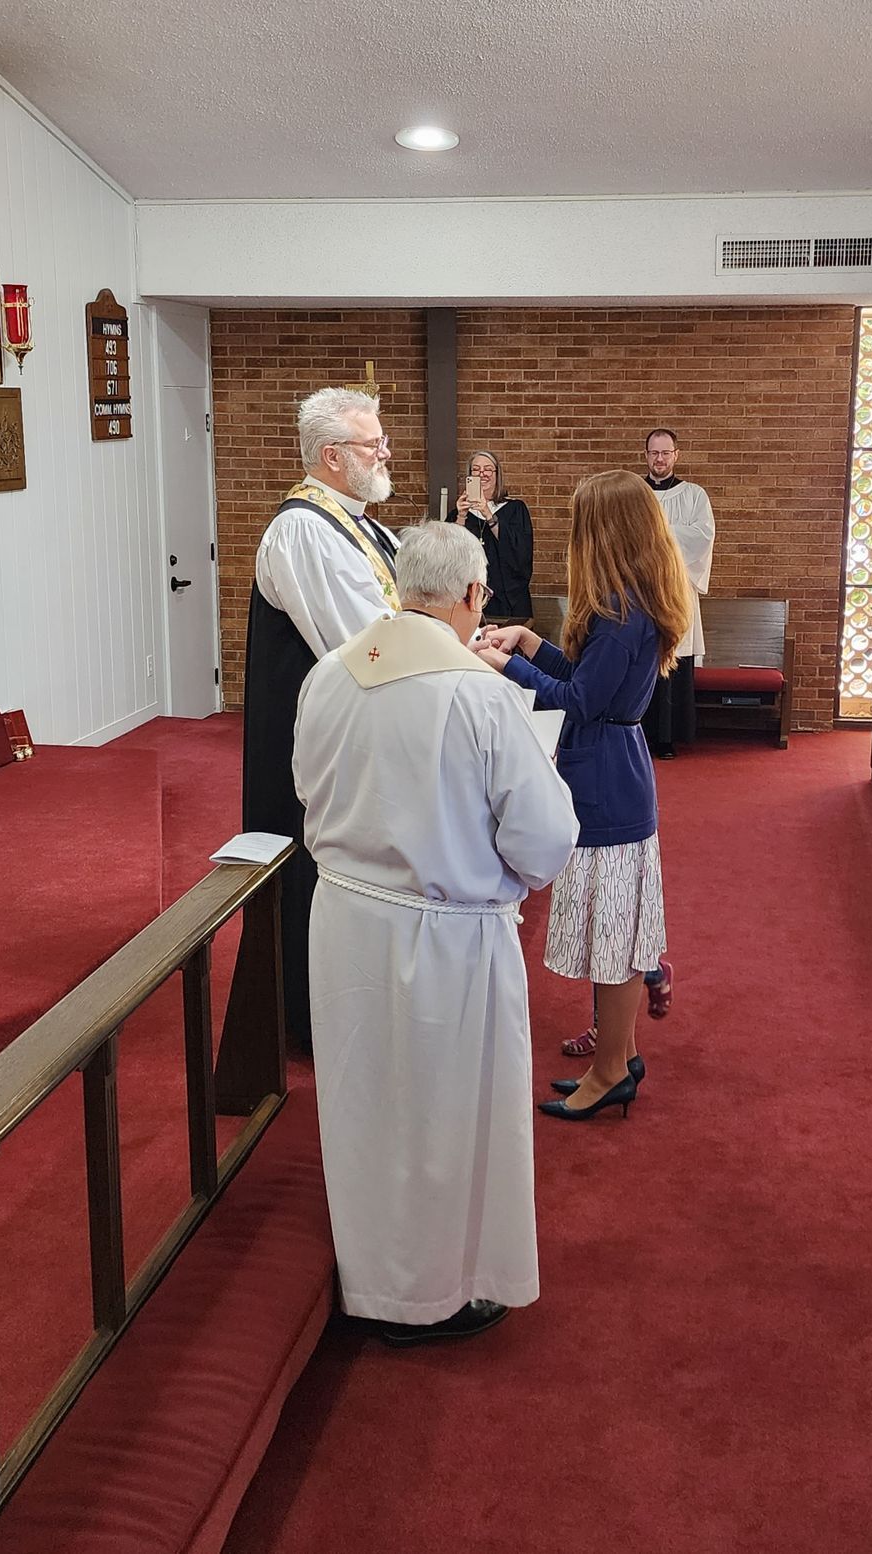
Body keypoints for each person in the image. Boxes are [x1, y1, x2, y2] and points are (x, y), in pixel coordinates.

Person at [293, 523, 578, 1344]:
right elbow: (545, 840)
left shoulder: (330, 674)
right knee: (446, 1116)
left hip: (344, 922)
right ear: (473, 596)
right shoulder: (479, 693)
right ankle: (431, 1295)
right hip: (445, 939)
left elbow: (307, 789)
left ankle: (372, 1271)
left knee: (365, 1102)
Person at [476, 470, 692, 1120]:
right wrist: (529, 641)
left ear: (604, 532)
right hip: (610, 767)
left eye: (581, 524)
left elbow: (576, 702)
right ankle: (619, 1058)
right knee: (615, 936)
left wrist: (505, 666)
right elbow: (582, 678)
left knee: (614, 946)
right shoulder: (623, 603)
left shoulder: (623, 614)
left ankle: (610, 1073)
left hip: (606, 783)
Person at [223, 387, 399, 1055]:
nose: (386, 452)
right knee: (312, 872)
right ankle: (310, 1016)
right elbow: (364, 644)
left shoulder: (358, 522)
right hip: (313, 749)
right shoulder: (302, 528)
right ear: (332, 456)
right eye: (372, 443)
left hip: (355, 737)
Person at [641, 427, 715, 759]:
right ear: (646, 456)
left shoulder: (694, 495)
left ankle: (668, 737)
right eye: (654, 453)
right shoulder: (632, 492)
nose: (660, 459)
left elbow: (702, 536)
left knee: (671, 661)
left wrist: (659, 534)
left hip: (676, 590)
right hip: (638, 591)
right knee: (640, 659)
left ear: (676, 455)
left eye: (665, 452)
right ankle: (638, 730)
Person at [448, 450, 535, 625]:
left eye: (488, 469)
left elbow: (520, 554)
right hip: (468, 601)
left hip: (508, 599)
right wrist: (461, 516)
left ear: (497, 474)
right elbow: (448, 555)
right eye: (476, 470)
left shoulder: (515, 509)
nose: (482, 474)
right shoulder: (457, 513)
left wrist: (487, 513)